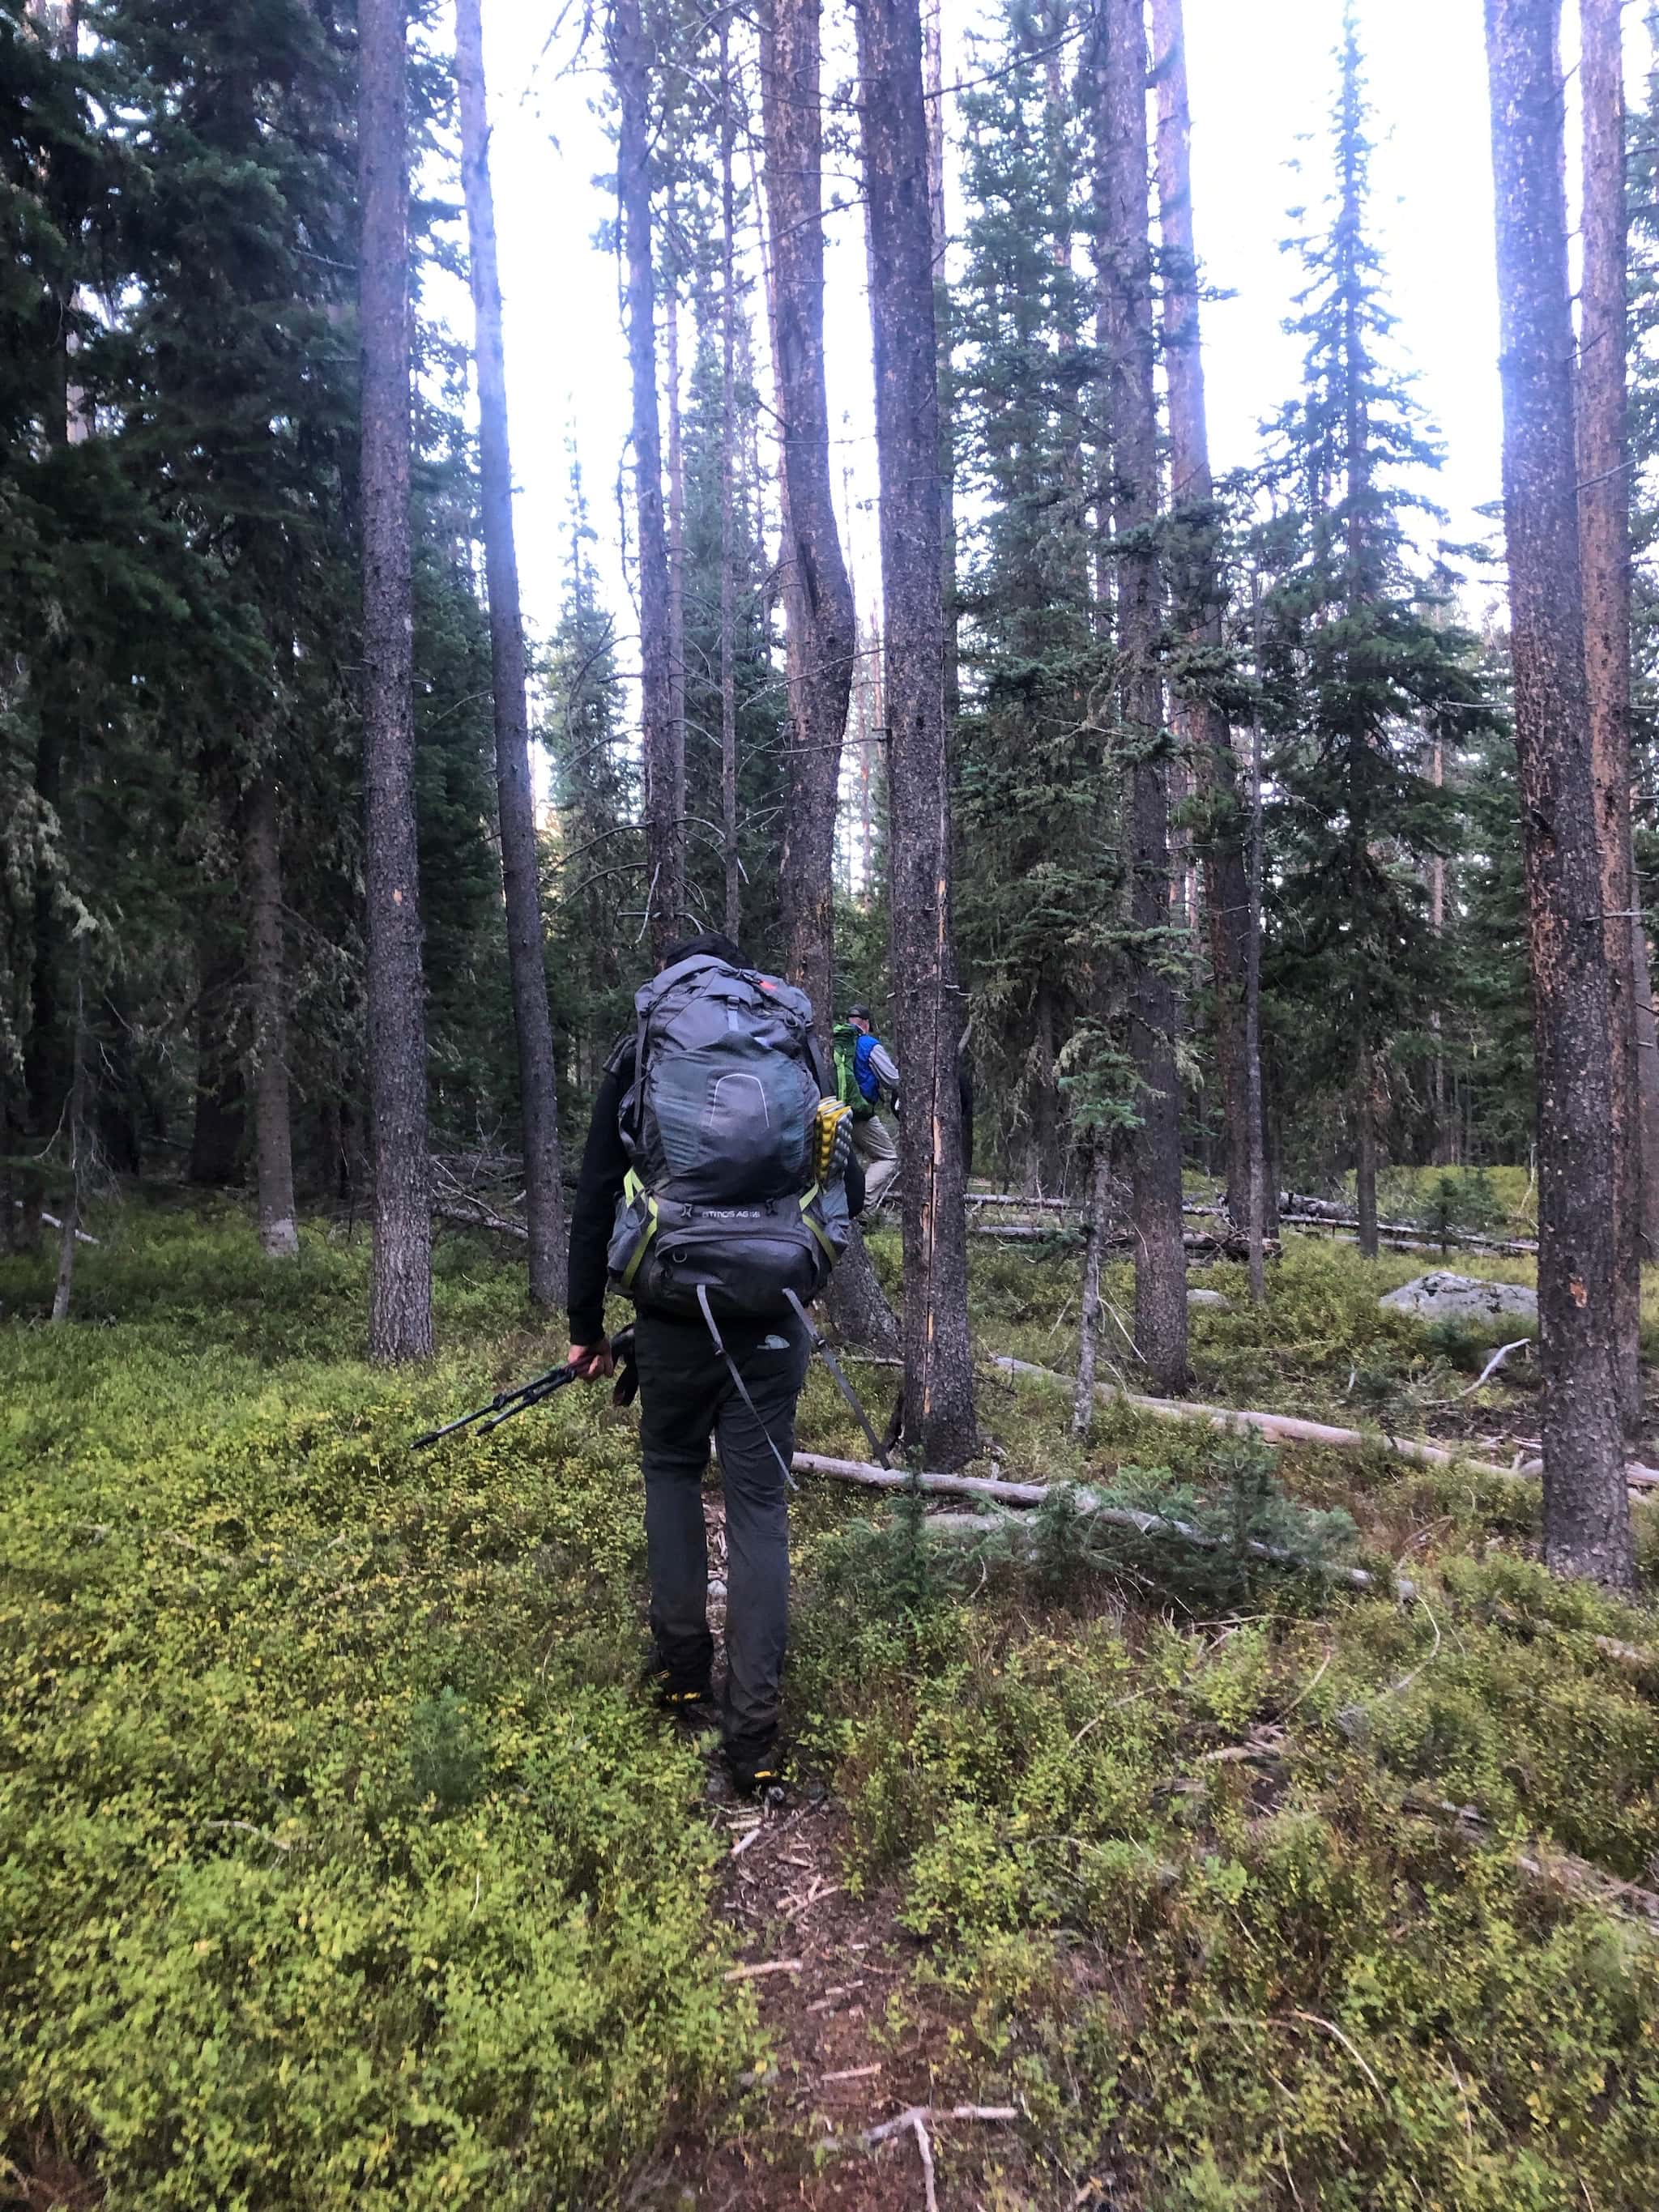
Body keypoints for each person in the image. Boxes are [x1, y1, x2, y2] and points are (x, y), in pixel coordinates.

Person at [565, 930, 864, 1797]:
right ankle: (754, 1742)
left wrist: (585, 1324)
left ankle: (684, 1675)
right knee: (759, 1508)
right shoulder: (791, 1034)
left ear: (671, 975)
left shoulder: (649, 1038)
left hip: (670, 1306)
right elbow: (832, 1181)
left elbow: (594, 1193)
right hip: (774, 1307)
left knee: (668, 1472)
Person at [836, 1004, 902, 1210]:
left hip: (832, 1110)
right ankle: (861, 1205)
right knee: (887, 1156)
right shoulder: (868, 1044)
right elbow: (892, 1079)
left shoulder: (836, 1041)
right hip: (859, 1113)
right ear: (866, 1023)